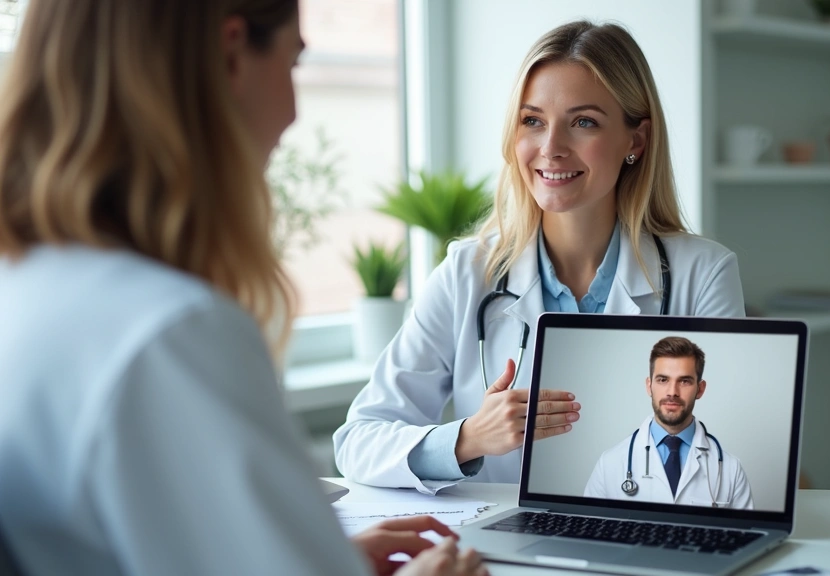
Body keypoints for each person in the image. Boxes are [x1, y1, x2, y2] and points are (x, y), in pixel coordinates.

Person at [0, 1, 485, 575]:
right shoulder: (173, 332)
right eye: (293, 62)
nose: (294, 113)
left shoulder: (27, 286)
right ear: (231, 52)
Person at [334, 20, 745, 494]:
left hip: (650, 538)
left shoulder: (703, 273)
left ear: (636, 140)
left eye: (583, 122)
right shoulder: (467, 274)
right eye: (533, 121)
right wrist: (469, 437)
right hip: (509, 543)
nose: (551, 149)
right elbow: (358, 441)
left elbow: (729, 455)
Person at [583, 337, 753, 508]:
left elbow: (744, 533)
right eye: (663, 380)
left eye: (684, 381)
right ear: (649, 386)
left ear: (700, 389)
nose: (672, 392)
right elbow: (589, 530)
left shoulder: (731, 470)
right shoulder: (609, 464)